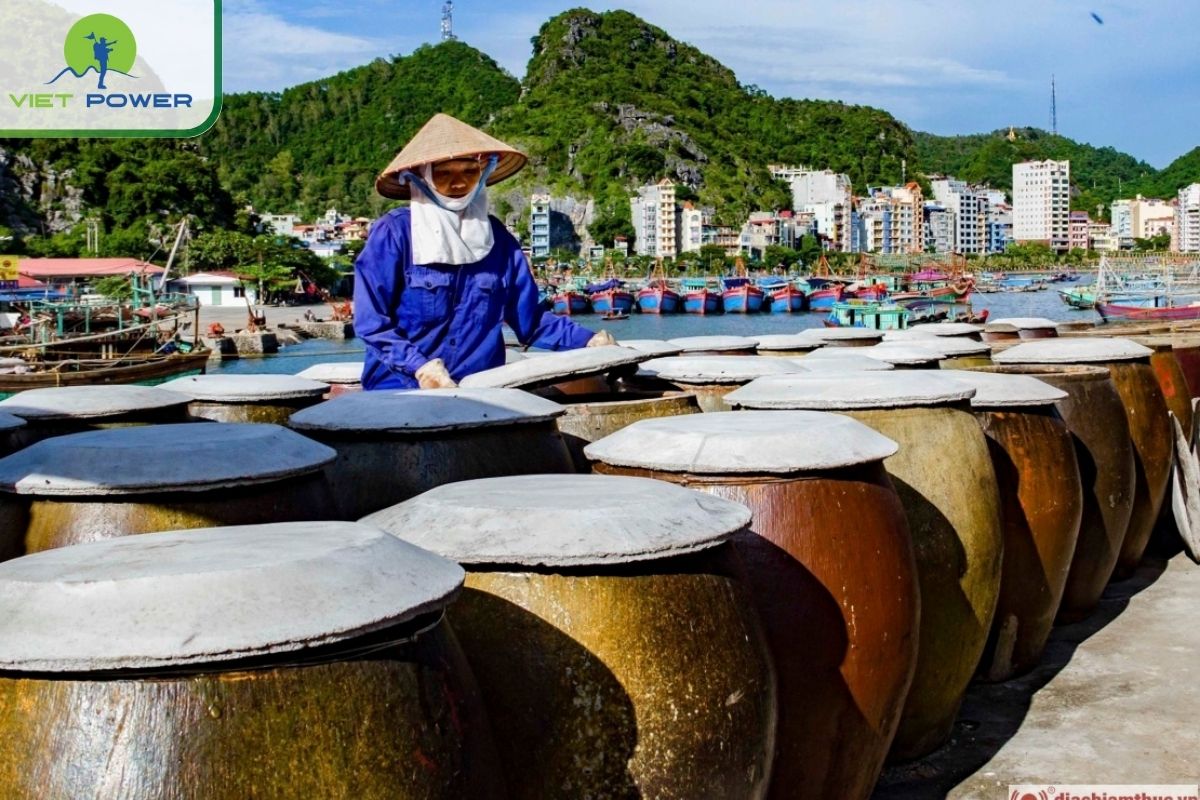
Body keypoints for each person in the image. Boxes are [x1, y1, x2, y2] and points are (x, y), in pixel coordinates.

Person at [354, 113, 613, 390]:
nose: (458, 183)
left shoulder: (498, 240)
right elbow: (372, 323)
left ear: (482, 175)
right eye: (443, 175)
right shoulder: (394, 235)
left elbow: (530, 320)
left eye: (469, 172)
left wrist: (589, 340)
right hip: (398, 389)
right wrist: (420, 368)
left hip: (481, 390)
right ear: (423, 178)